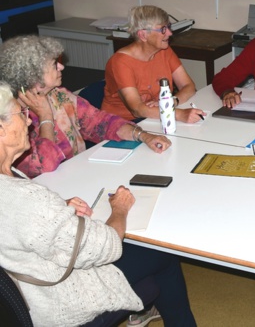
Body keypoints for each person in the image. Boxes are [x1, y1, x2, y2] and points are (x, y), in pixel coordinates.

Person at [0, 82, 197, 326]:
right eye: (21, 114)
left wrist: (59, 204)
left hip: (32, 282)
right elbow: (106, 247)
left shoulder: (10, 181)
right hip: (61, 298)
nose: (30, 122)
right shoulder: (26, 198)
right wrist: (120, 208)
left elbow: (19, 216)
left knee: (151, 267)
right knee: (162, 253)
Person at [0, 35, 172, 179]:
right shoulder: (12, 118)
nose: (61, 66)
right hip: (47, 193)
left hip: (80, 176)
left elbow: (100, 122)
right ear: (33, 77)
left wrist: (143, 135)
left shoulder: (59, 95)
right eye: (54, 64)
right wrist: (46, 117)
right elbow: (45, 168)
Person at [102, 5, 205, 123]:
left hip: (154, 117)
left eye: (169, 27)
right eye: (163, 29)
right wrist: (179, 114)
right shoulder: (120, 62)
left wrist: (171, 101)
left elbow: (189, 86)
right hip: (121, 124)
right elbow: (137, 109)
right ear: (143, 35)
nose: (170, 33)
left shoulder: (164, 50)